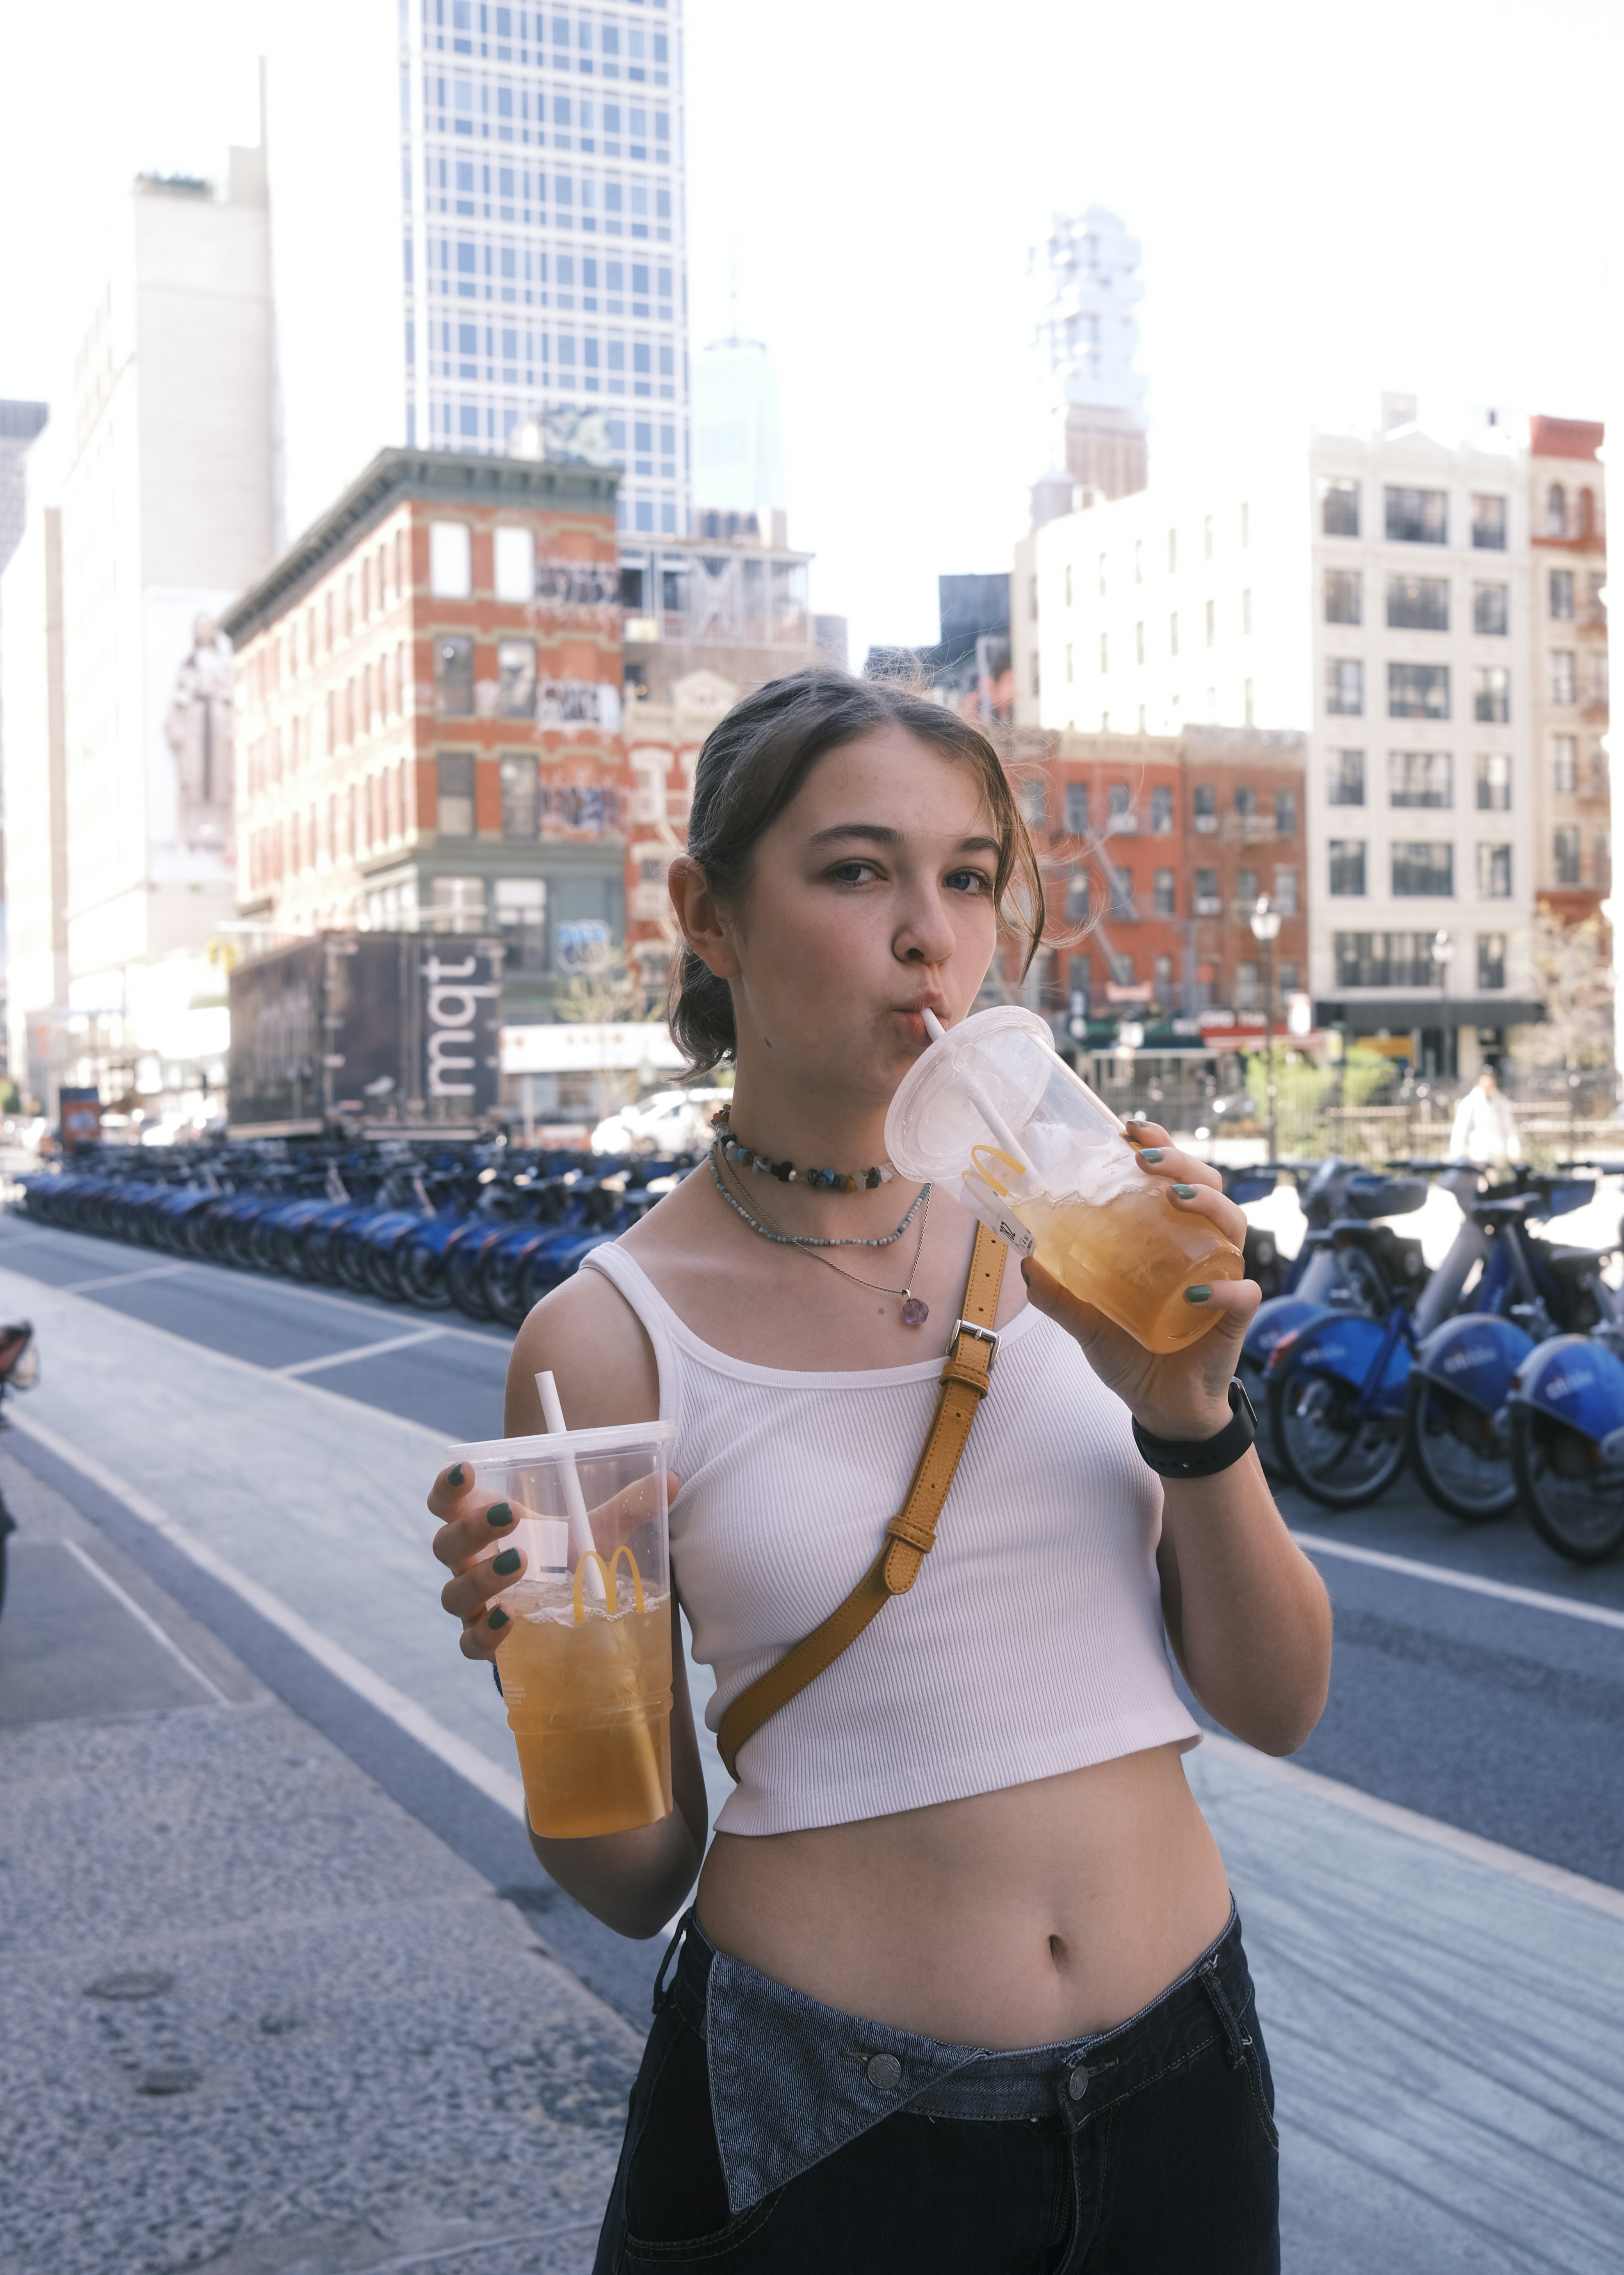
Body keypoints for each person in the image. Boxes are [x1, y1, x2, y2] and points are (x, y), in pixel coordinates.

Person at [429, 670, 1331, 2273]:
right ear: (708, 915)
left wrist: (1191, 1415)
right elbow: (632, 1876)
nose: (930, 935)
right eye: (857, 871)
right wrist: (544, 1667)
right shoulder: (605, 1337)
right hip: (828, 2129)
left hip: (1183, 2077)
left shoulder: (1092, 1233)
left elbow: (1277, 1704)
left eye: (968, 878)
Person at [1448, 1061, 1522, 1171]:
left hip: (1497, 1155)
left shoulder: (1501, 1102)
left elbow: (1510, 1130)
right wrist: (1457, 1156)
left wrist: (1514, 1151)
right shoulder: (1470, 1102)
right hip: (1477, 1155)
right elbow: (1460, 1131)